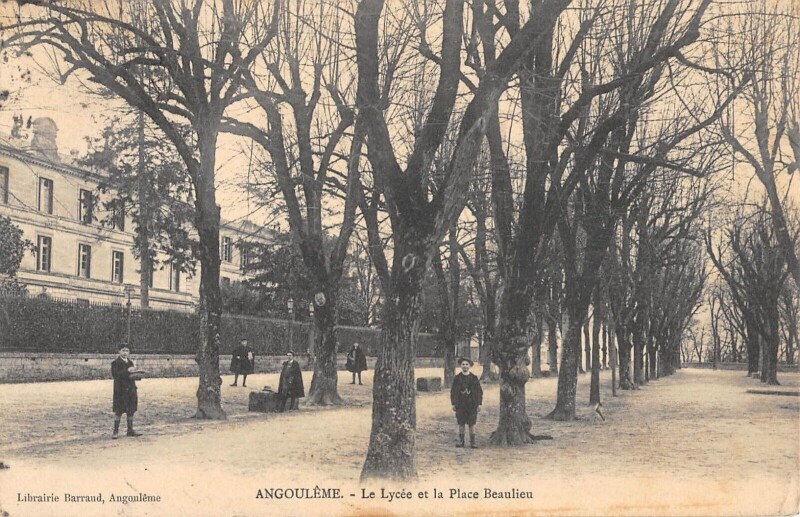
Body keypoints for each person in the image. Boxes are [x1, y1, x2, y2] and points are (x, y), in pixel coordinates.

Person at [450, 357, 483, 449]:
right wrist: (453, 403)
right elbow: (453, 392)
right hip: (461, 404)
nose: (465, 366)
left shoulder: (474, 378)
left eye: (467, 364)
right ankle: (461, 441)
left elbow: (479, 392)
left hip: (472, 404)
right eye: (463, 364)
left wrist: (479, 404)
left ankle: (473, 442)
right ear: (460, 366)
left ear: (470, 366)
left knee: (472, 423)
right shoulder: (457, 378)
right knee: (461, 422)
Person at [111, 344, 142, 439]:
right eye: (123, 350)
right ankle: (115, 431)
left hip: (131, 390)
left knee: (131, 410)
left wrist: (138, 375)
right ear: (119, 352)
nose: (125, 353)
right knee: (119, 411)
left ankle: (130, 430)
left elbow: (132, 376)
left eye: (127, 351)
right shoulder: (115, 363)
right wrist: (128, 371)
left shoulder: (131, 362)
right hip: (120, 391)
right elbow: (116, 375)